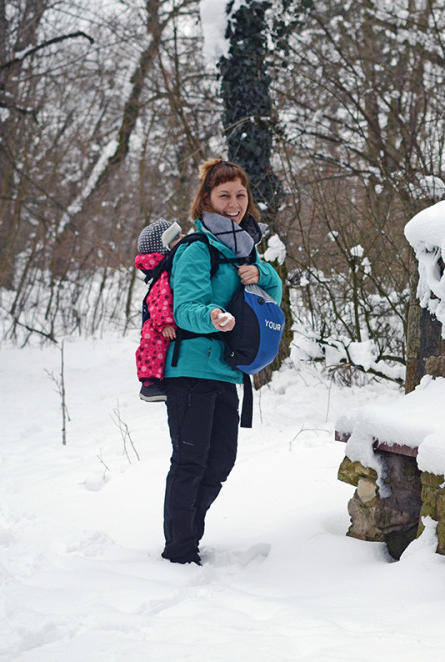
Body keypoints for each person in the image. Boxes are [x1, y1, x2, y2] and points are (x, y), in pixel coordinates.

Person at [160, 158, 283, 565]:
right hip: (191, 370)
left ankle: (190, 531)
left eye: (240, 195)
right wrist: (211, 316)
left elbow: (272, 297)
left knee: (221, 461)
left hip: (226, 372)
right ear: (207, 200)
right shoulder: (198, 249)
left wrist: (261, 274)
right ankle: (180, 549)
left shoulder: (245, 248)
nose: (234, 203)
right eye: (224, 195)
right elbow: (184, 309)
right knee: (191, 461)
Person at [135, 220, 183, 402]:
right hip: (157, 322)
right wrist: (165, 323)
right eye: (177, 237)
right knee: (153, 348)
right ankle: (150, 384)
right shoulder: (164, 270)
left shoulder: (166, 265)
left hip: (157, 318)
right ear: (163, 247)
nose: (183, 238)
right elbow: (159, 298)